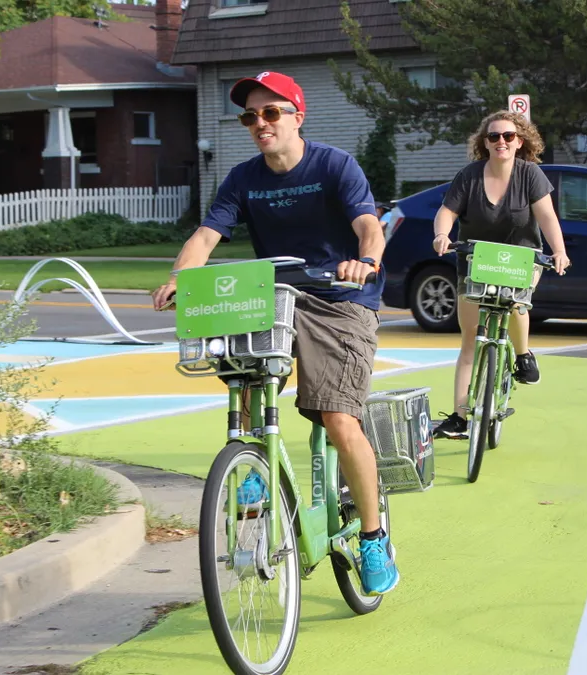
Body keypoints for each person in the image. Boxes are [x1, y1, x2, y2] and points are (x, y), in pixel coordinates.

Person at [151, 71, 399, 595]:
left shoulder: (334, 165)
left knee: (337, 417)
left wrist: (366, 261)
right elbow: (206, 235)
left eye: (271, 112)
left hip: (340, 299)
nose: (259, 123)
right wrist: (180, 276)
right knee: (244, 379)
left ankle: (374, 538)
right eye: (249, 116)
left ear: (297, 116)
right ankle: (255, 461)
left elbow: (368, 224)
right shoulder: (243, 178)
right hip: (275, 298)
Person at [430, 110, 570, 440]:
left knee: (516, 304)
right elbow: (446, 213)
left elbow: (547, 218)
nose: (501, 142)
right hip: (477, 259)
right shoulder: (469, 176)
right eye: (494, 137)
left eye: (508, 136)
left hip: (520, 259)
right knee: (470, 342)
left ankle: (522, 355)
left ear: (520, 141)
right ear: (485, 143)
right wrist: (441, 235)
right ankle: (461, 417)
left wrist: (560, 251)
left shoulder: (530, 175)